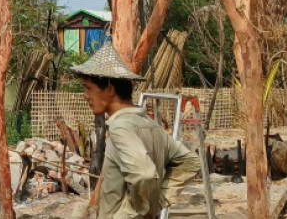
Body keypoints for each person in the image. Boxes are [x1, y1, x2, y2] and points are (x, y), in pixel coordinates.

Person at [71, 42, 201, 219]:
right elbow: (190, 162)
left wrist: (137, 211)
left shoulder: (120, 128)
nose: (85, 95)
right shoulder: (151, 125)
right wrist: (157, 202)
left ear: (109, 89)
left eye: (88, 88)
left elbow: (144, 174)